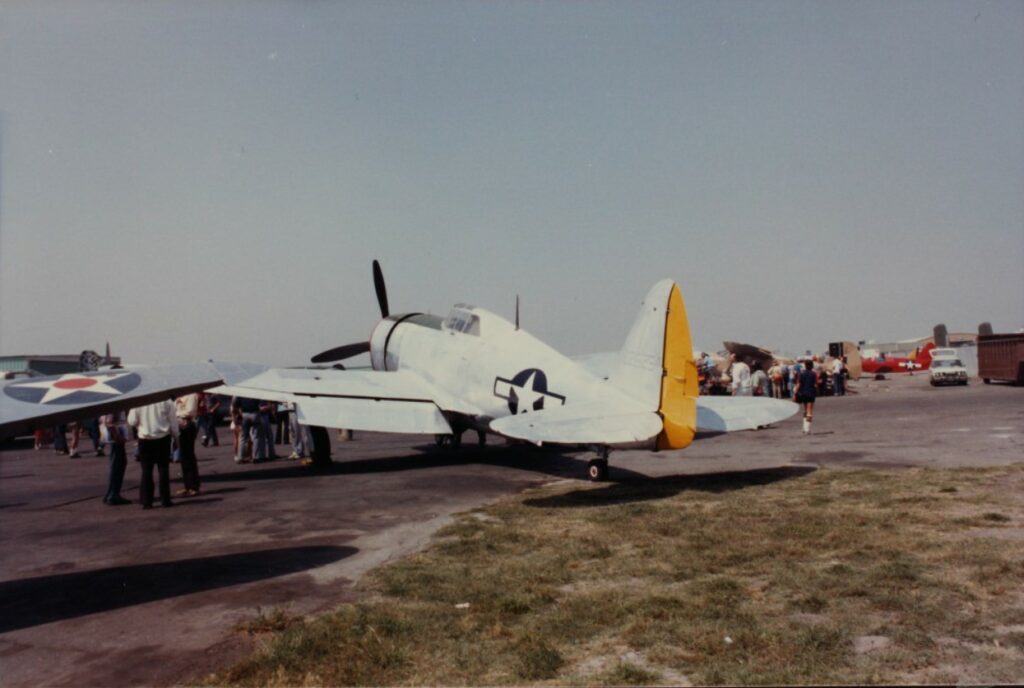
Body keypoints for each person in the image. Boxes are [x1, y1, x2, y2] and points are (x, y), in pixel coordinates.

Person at [128, 398, 179, 509]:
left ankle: (147, 501)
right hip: (162, 438)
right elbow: (173, 421)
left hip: (145, 438)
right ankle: (165, 500)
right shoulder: (166, 400)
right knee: (163, 469)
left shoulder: (139, 400)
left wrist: (140, 423)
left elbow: (131, 421)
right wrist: (176, 437)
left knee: (146, 471)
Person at [101, 411, 131, 505]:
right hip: (116, 440)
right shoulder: (115, 407)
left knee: (118, 464)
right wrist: (117, 436)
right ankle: (113, 495)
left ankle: (110, 493)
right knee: (118, 465)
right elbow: (109, 421)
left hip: (116, 439)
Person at [175, 393, 201, 496]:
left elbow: (189, 411)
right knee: (184, 457)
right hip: (180, 425)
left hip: (187, 425)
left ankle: (194, 486)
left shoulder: (191, 395)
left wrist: (178, 413)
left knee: (189, 456)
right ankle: (187, 485)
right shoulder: (179, 396)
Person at [793, 359, 818, 435]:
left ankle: (804, 427)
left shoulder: (802, 374)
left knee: (805, 410)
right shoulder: (814, 374)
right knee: (809, 411)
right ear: (812, 365)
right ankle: (807, 429)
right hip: (811, 393)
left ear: (805, 365)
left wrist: (795, 393)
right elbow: (816, 384)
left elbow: (799, 384)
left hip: (803, 393)